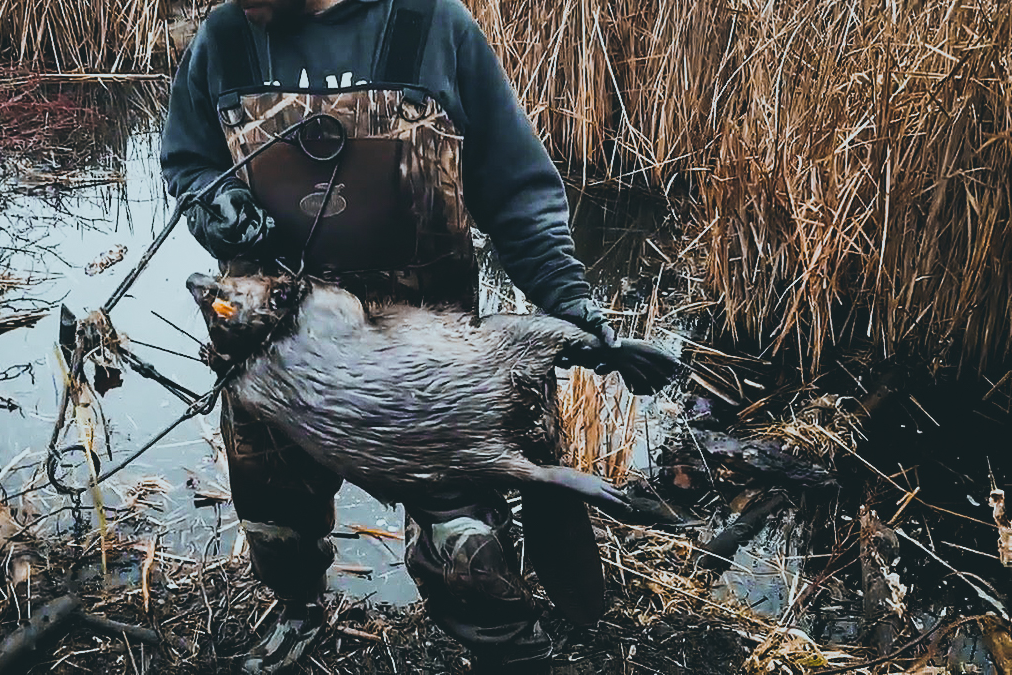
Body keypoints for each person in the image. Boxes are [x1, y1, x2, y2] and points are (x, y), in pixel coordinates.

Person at [160, 0, 678, 672]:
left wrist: (571, 305)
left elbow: (519, 194)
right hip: (276, 364)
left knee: (467, 550)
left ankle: (507, 651)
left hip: (424, 377)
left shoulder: (434, 27)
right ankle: (298, 611)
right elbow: (188, 162)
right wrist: (212, 202)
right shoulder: (228, 36)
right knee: (274, 522)